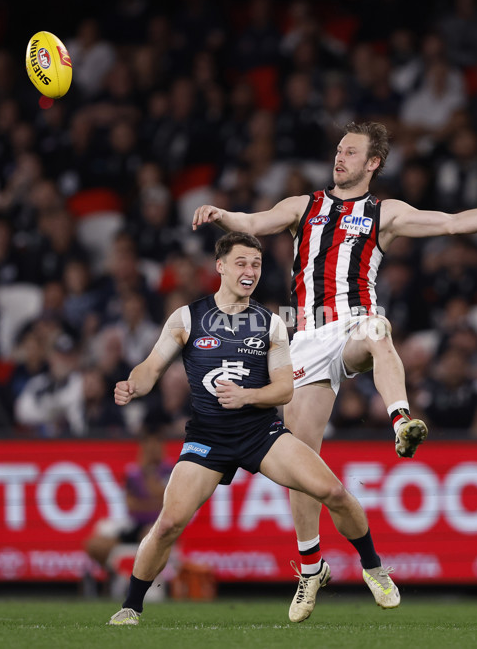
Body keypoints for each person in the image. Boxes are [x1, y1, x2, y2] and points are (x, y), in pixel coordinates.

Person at [192, 121, 477, 620]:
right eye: (339, 150)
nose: (340, 158)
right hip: (304, 340)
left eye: (351, 152)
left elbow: (450, 223)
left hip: (351, 325)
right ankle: (314, 565)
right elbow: (256, 220)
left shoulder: (385, 213)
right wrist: (222, 213)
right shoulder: (305, 205)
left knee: (378, 330)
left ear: (372, 163)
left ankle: (401, 420)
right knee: (303, 466)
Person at [108, 231, 400, 625]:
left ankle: (374, 569)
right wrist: (133, 385)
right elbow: (150, 367)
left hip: (260, 434)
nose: (250, 271)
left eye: (256, 265)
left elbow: (283, 389)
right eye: (242, 263)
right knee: (168, 524)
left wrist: (246, 396)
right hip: (208, 440)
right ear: (221, 266)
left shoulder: (271, 324)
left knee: (333, 491)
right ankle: (131, 606)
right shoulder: (187, 317)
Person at [85, 425, 172, 569]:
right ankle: (115, 577)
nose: (152, 448)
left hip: (157, 526)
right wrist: (151, 501)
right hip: (134, 525)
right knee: (95, 545)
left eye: (155, 443)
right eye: (148, 444)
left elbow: (165, 501)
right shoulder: (134, 473)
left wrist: (148, 474)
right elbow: (130, 505)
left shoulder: (170, 470)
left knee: (149, 536)